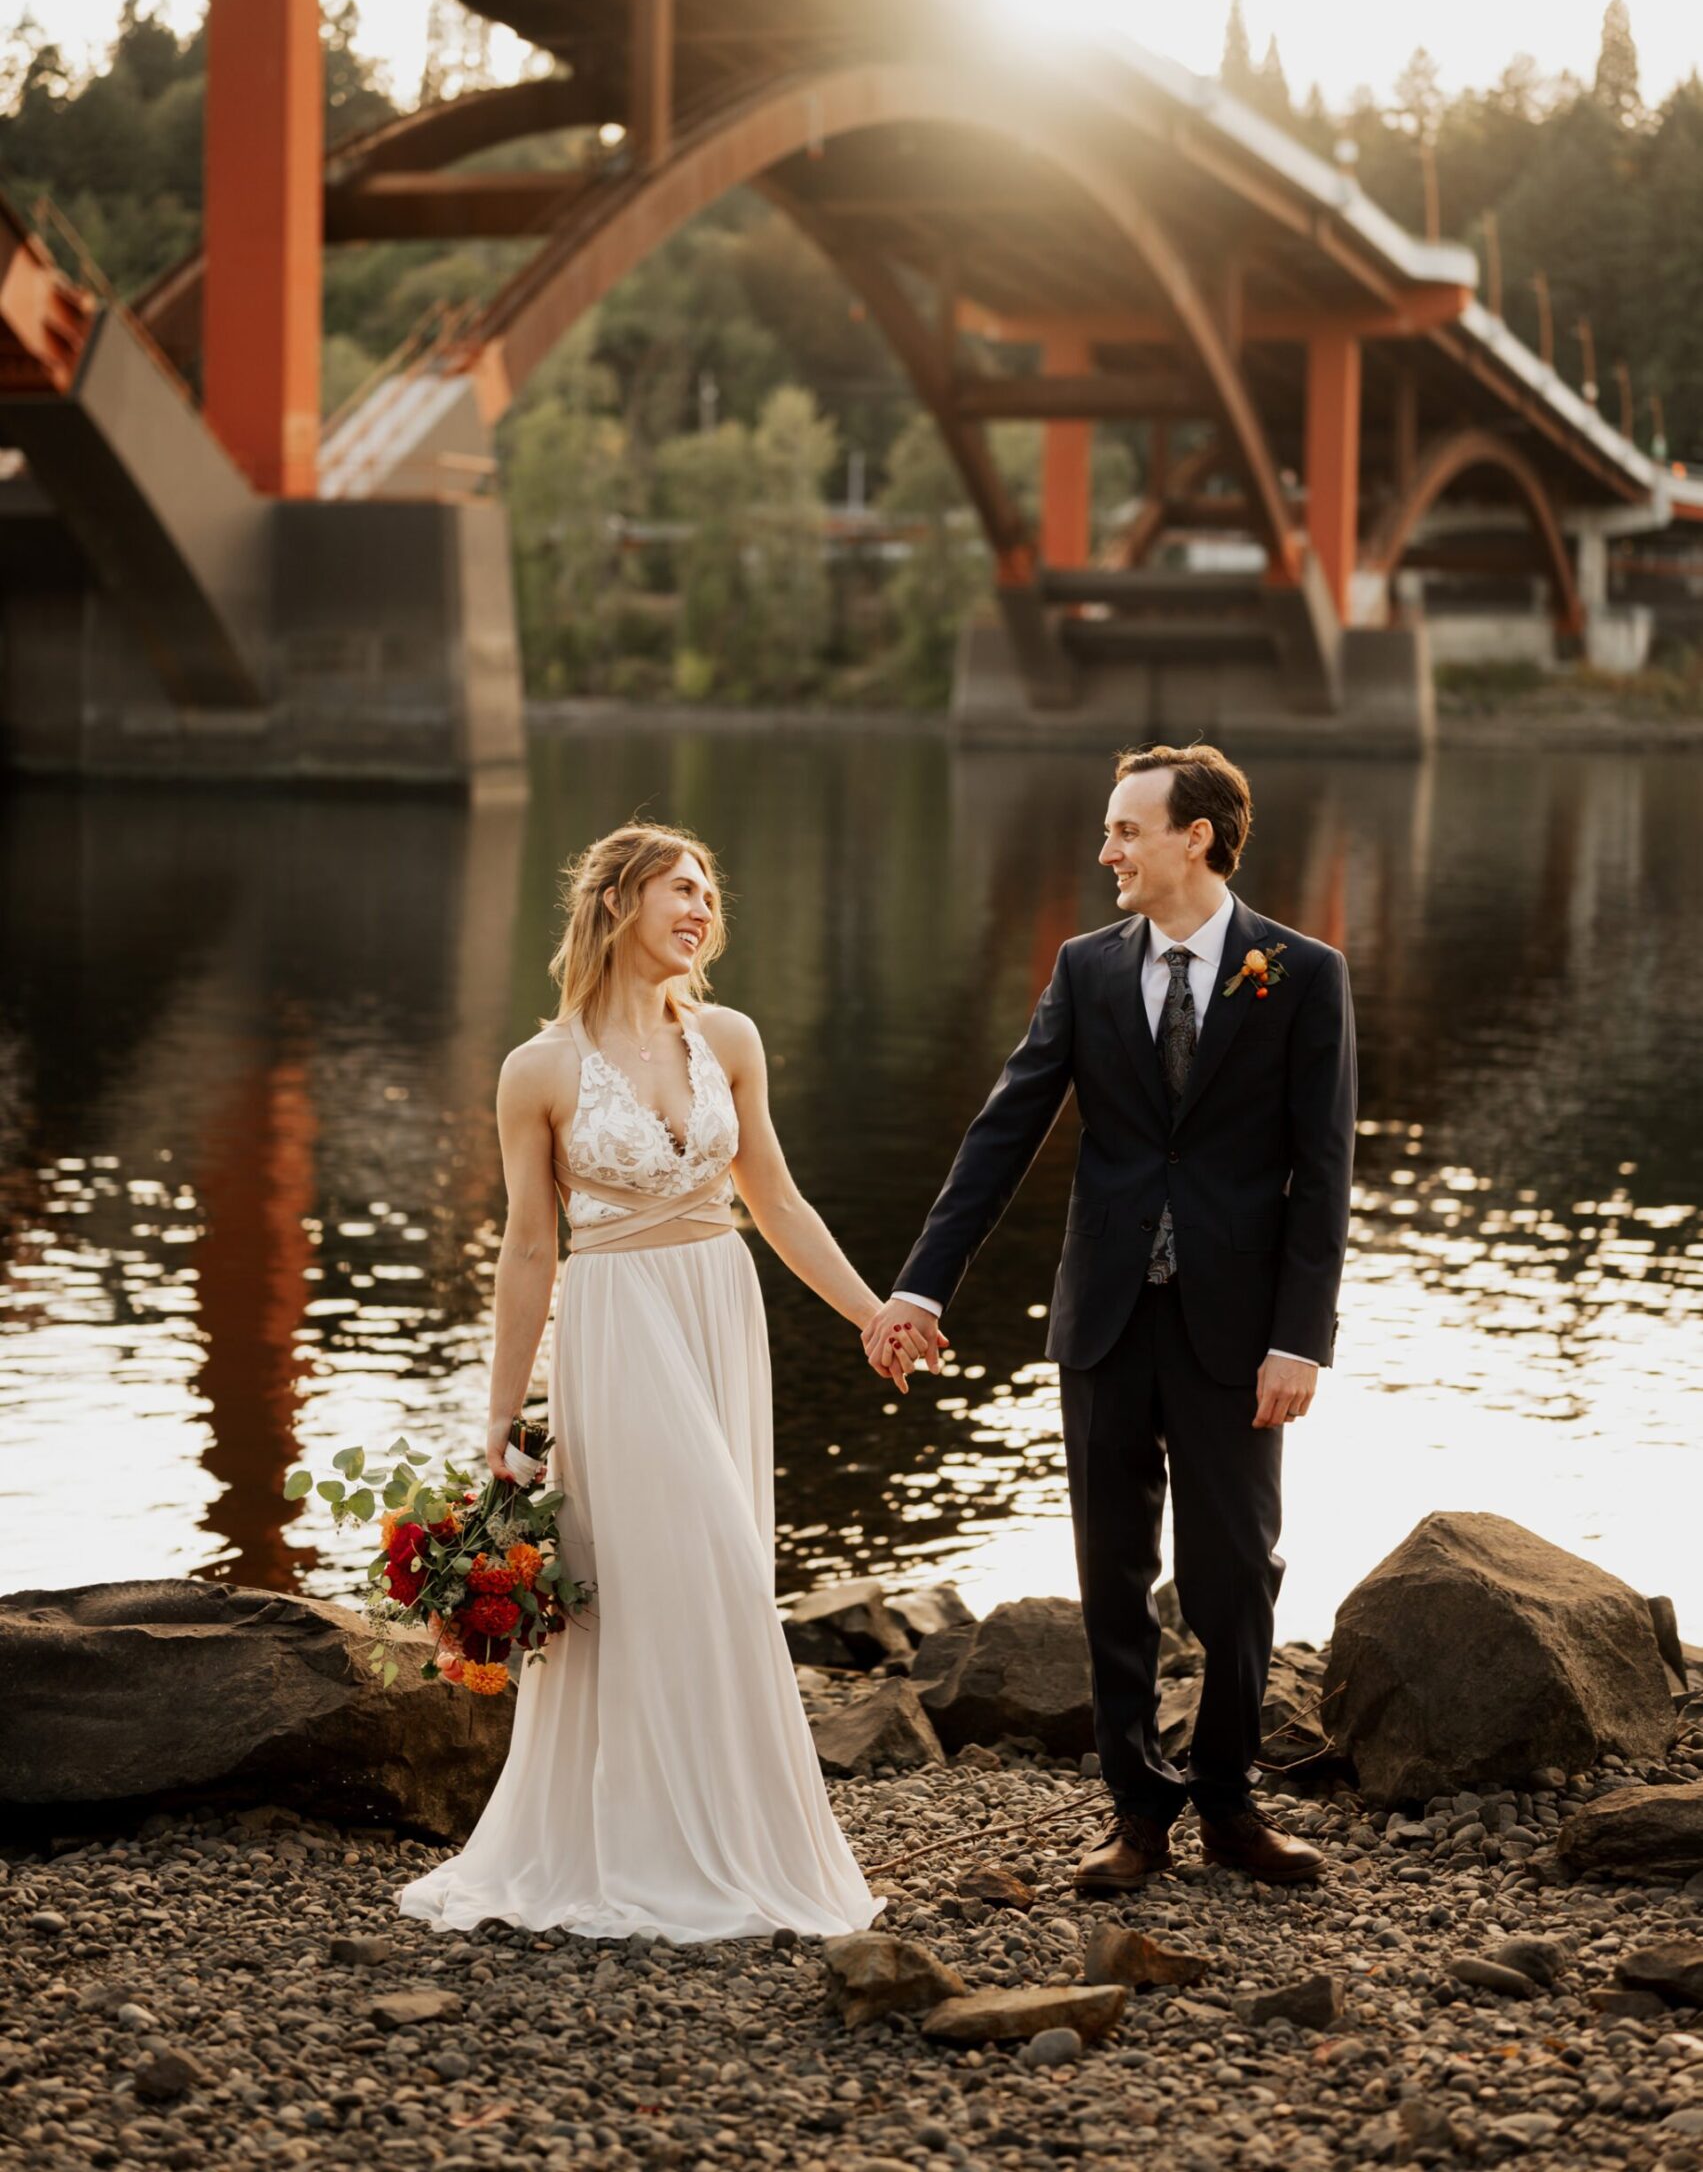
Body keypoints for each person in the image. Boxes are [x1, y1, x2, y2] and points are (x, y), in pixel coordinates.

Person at [864, 744, 1356, 1890]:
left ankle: (1230, 1802)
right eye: (1106, 829)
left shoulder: (1300, 971)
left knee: (1236, 1568)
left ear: (1196, 836)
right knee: (1110, 1570)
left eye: (1125, 829)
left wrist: (1300, 1337)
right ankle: (1136, 1813)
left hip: (1240, 1334)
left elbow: (1320, 1172)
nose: (1105, 852)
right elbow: (1002, 1133)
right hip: (1100, 1320)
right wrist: (919, 1284)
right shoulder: (1085, 969)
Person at [399, 823, 897, 1942]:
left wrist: (872, 1313)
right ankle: (645, 1843)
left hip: (719, 1305)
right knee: (681, 1562)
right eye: (683, 888)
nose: (703, 909)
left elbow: (775, 1200)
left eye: (711, 893)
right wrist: (497, 1411)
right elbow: (529, 1248)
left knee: (719, 1570)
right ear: (619, 901)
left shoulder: (728, 1036)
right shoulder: (538, 1068)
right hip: (618, 1324)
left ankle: (723, 1837)